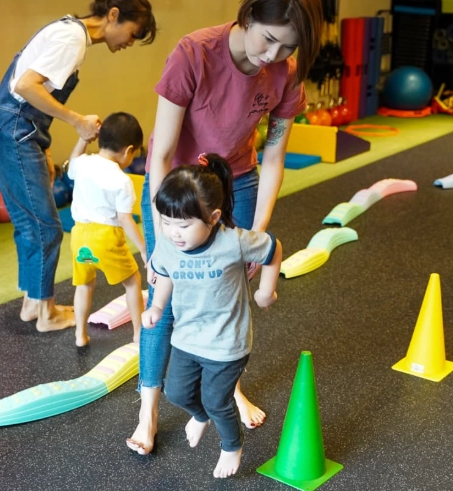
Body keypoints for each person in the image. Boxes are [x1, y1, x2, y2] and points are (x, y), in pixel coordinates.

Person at [127, 0, 322, 455]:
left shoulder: (284, 73)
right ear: (248, 17)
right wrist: (160, 234)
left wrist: (256, 230)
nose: (274, 56)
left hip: (237, 185)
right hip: (176, 191)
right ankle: (149, 410)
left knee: (227, 291)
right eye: (268, 39)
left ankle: (226, 386)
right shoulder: (194, 53)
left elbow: (274, 156)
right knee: (164, 296)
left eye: (287, 47)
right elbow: (160, 154)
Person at [0, 0, 156, 332]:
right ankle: (46, 315)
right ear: (114, 15)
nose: (130, 43)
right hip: (13, 131)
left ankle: (34, 304)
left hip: (11, 130)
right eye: (133, 34)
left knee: (28, 223)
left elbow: (26, 89)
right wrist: (77, 122)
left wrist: (41, 145)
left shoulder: (66, 29)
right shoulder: (73, 39)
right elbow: (24, 86)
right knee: (46, 226)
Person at [141, 155, 282, 478]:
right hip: (188, 338)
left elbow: (273, 250)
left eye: (185, 224)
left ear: (214, 217)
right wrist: (158, 307)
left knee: (218, 400)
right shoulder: (168, 244)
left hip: (226, 343)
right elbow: (165, 274)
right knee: (176, 392)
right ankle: (200, 416)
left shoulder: (233, 241)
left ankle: (232, 445)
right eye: (167, 222)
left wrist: (265, 291)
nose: (174, 233)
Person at [67, 112, 146, 347]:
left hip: (79, 237)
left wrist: (83, 138)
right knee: (132, 281)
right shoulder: (122, 180)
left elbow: (73, 160)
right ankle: (139, 333)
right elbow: (125, 219)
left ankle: (80, 335)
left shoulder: (81, 164)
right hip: (105, 239)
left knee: (84, 285)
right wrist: (143, 248)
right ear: (128, 150)